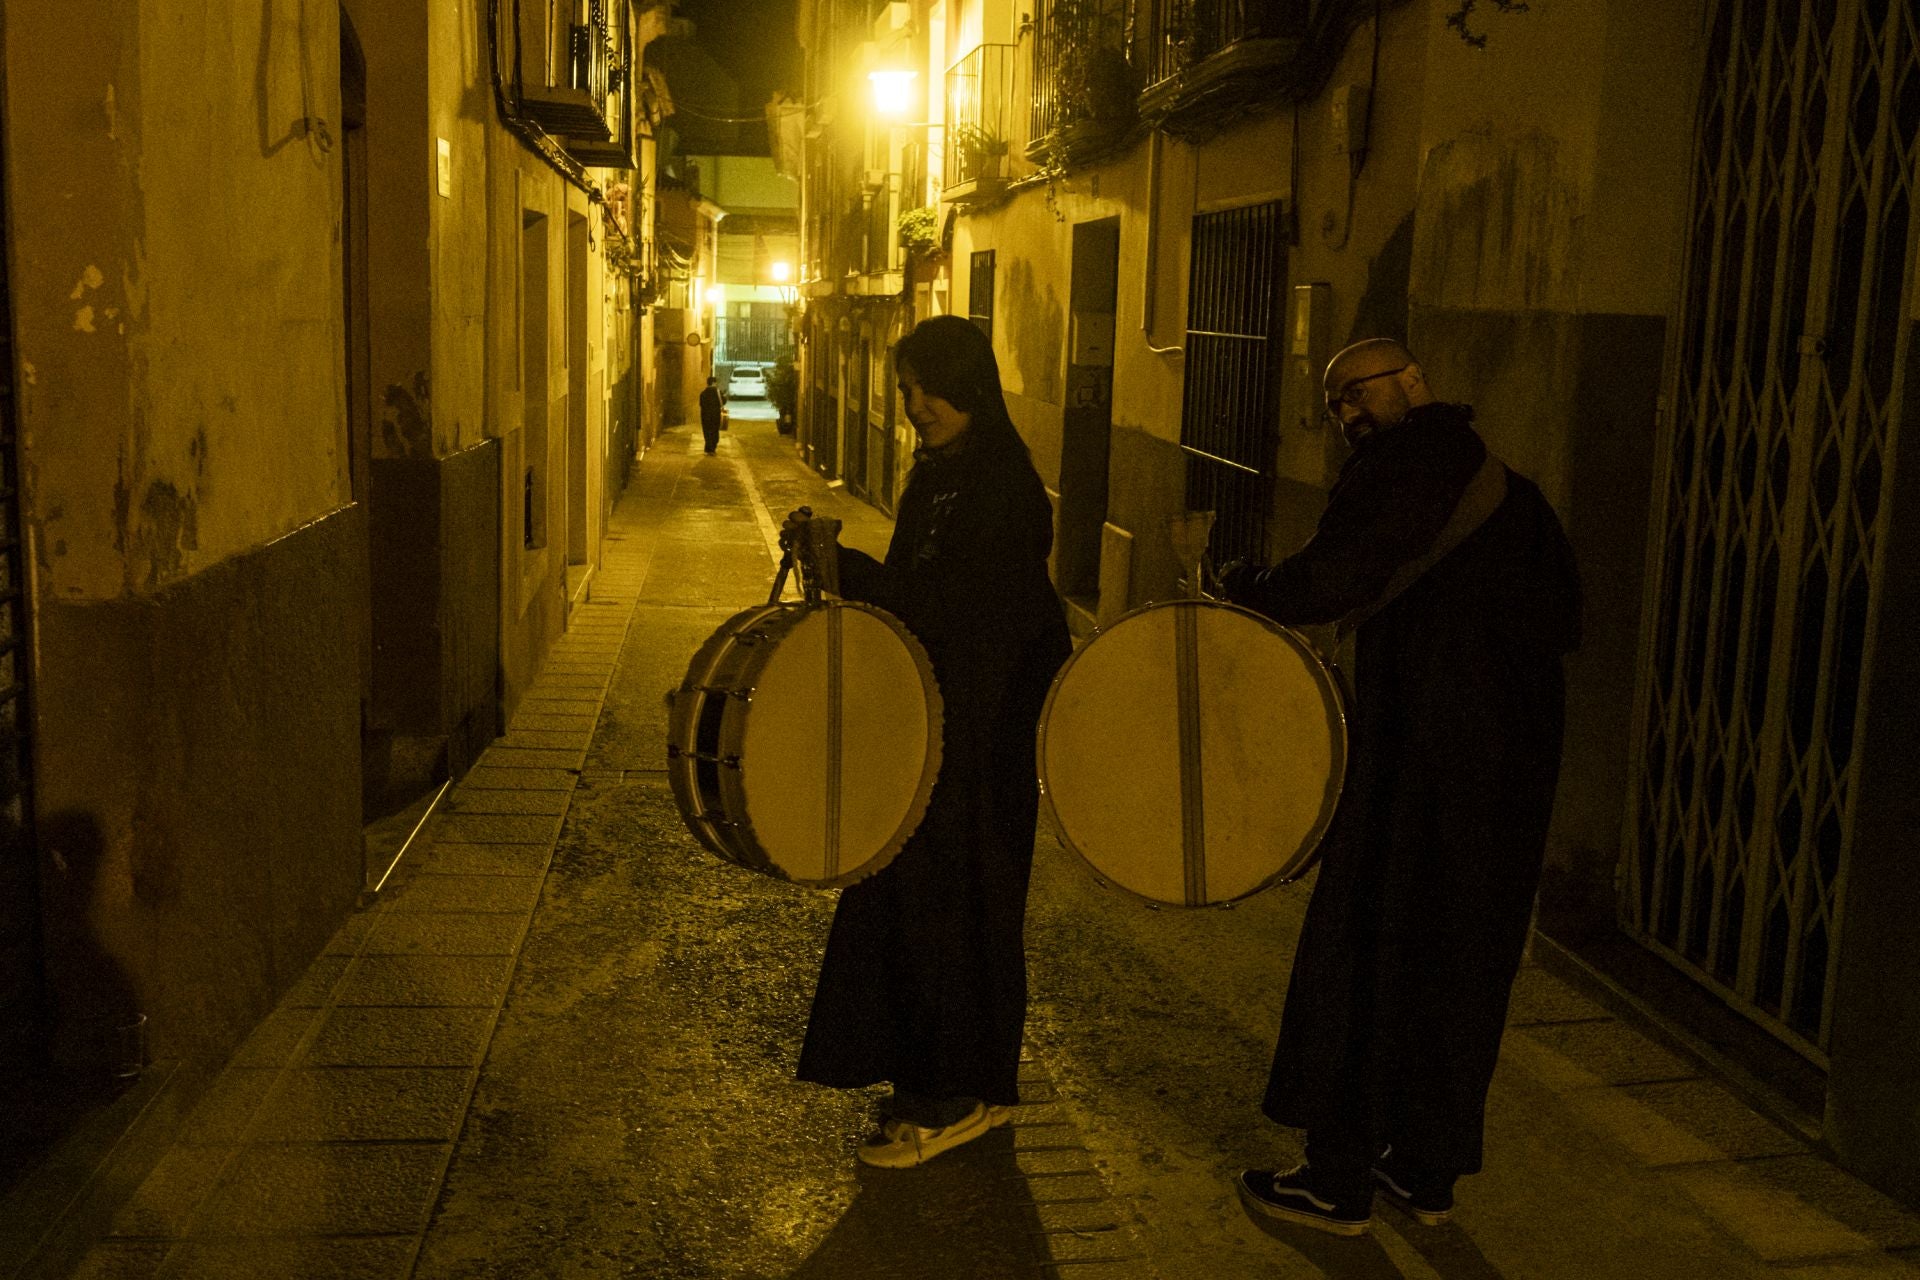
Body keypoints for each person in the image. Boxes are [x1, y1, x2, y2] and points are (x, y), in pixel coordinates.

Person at [1221, 338, 1582, 1236]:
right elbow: (1567, 612)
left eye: (1357, 394)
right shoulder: (1505, 485)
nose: (1347, 415)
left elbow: (1331, 576)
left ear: (1413, 383)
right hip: (1511, 770)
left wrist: (1245, 586)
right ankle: (1425, 1168)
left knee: (1371, 949)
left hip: (1420, 761)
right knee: (1463, 960)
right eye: (1336, 403)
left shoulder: (1405, 465)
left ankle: (1335, 1178)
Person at [788, 314, 1072, 1169]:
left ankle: (960, 1094)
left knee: (961, 910)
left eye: (929, 386)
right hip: (933, 726)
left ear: (972, 382)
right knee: (912, 907)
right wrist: (841, 564)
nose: (916, 405)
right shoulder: (938, 476)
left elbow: (962, 610)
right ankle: (928, 1079)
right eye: (906, 389)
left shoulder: (1004, 488)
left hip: (981, 740)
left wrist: (862, 574)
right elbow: (920, 591)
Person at [698, 376, 724, 454]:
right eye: (715, 382)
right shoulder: (718, 392)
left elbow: (701, 404)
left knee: (707, 431)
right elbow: (722, 402)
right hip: (715, 415)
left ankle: (708, 447)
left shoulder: (703, 393)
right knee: (714, 431)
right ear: (713, 383)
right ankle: (712, 447)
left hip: (705, 416)